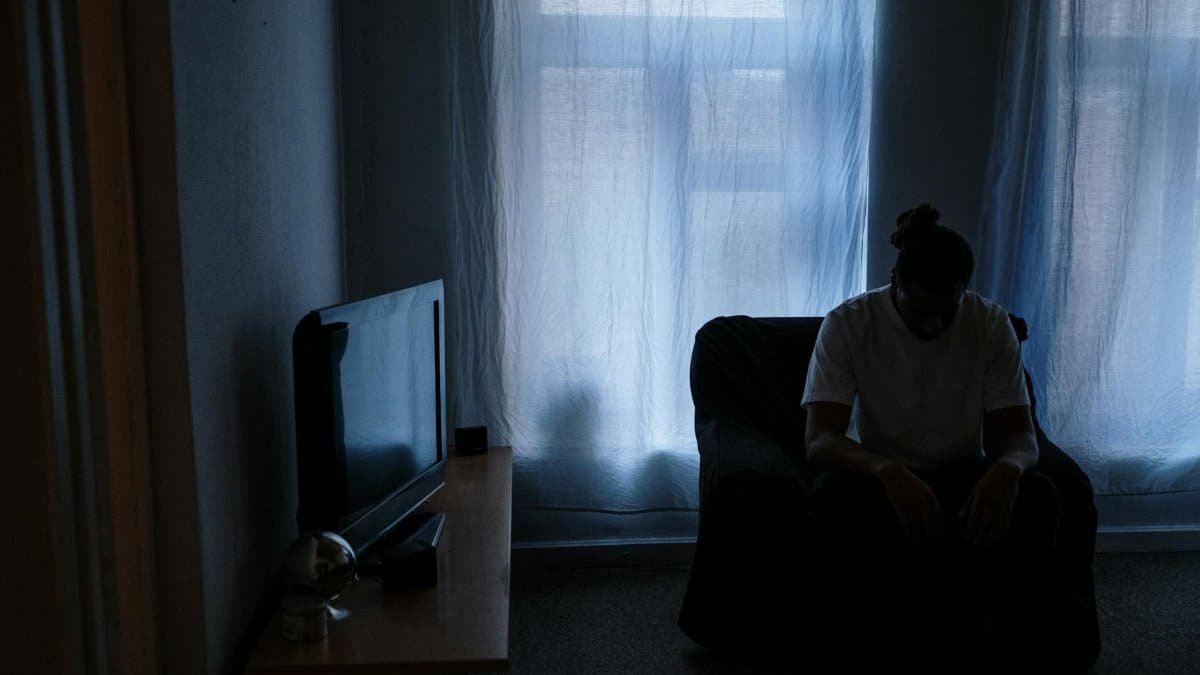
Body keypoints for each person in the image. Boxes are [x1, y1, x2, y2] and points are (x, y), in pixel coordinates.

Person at [801, 204, 1060, 674]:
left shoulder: (990, 323)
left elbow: (1021, 436)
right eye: (922, 312)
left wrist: (1008, 467)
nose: (935, 326)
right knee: (829, 498)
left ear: (964, 292)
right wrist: (887, 470)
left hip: (960, 471)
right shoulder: (848, 323)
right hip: (877, 474)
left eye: (948, 312)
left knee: (1039, 495)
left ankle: (994, 635)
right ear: (893, 281)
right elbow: (820, 440)